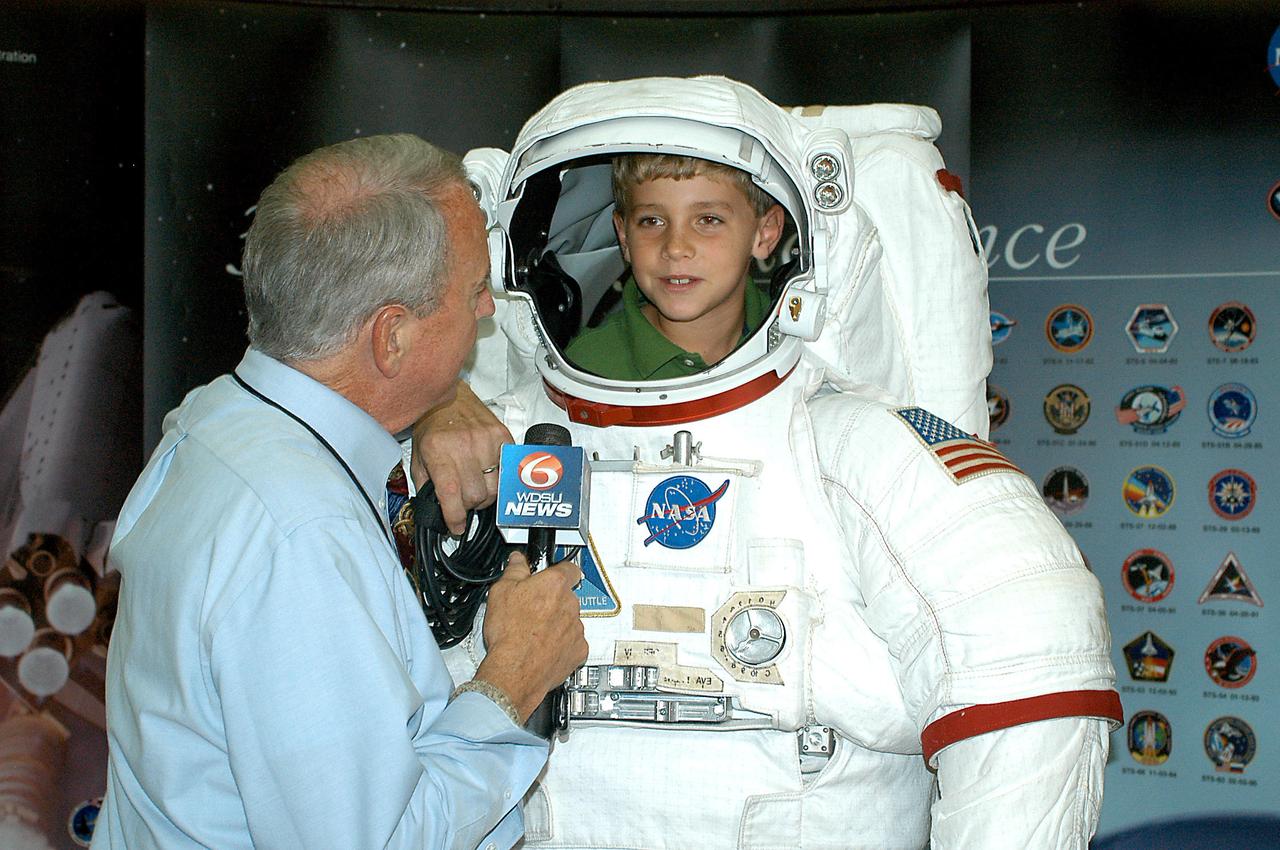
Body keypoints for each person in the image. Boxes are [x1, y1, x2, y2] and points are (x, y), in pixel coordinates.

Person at [415, 76, 1122, 849]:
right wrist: (437, 402)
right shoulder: (503, 442)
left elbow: (1028, 667)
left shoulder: (849, 445)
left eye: (708, 220)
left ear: (768, 231)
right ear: (621, 234)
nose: (676, 247)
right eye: (651, 220)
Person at [92, 133, 587, 850]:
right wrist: (513, 676)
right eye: (473, 290)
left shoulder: (214, 422)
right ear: (391, 338)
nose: (486, 309)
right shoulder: (301, 537)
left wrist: (433, 402)